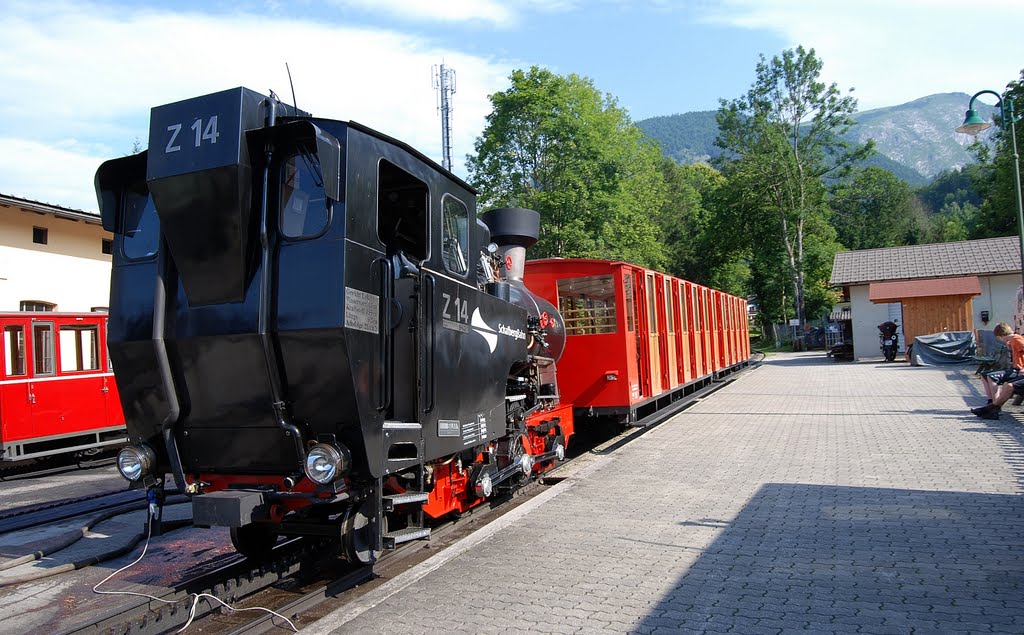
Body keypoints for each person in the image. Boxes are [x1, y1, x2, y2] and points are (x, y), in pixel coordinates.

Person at [972, 322, 1024, 420]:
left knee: (992, 377)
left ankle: (995, 407)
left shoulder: (1017, 339)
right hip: (1015, 368)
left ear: (1003, 335)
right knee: (984, 375)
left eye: (999, 338)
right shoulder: (1012, 341)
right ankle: (991, 402)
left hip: (1018, 370)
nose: (1000, 340)